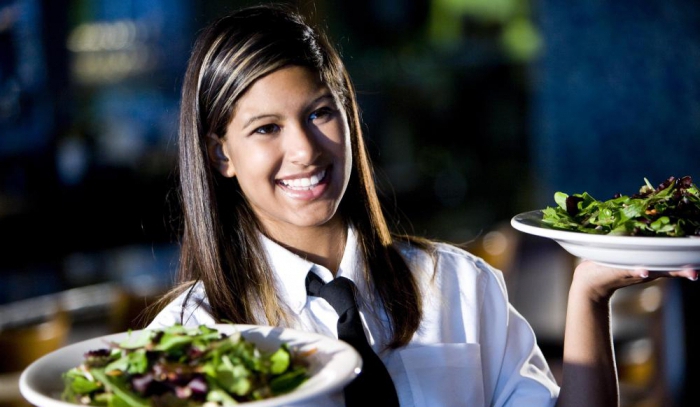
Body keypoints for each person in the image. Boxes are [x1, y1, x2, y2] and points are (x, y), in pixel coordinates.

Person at [146, 4, 698, 407]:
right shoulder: (192, 337)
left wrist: (589, 291)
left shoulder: (459, 283)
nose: (304, 150)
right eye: (267, 128)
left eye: (319, 113)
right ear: (221, 155)